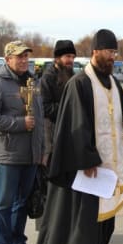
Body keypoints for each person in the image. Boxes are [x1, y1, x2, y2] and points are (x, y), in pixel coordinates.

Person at [36, 29, 123, 244]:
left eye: (115, 53)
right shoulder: (80, 83)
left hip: (108, 170)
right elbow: (75, 124)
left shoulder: (114, 84)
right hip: (88, 170)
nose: (112, 57)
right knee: (83, 227)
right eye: (109, 52)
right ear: (95, 51)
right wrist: (87, 159)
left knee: (105, 225)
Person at [0, 41, 44, 244]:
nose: (24, 60)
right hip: (9, 155)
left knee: (22, 203)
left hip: (30, 155)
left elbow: (39, 118)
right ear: (8, 59)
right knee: (4, 203)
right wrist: (19, 124)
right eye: (19, 57)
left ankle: (17, 242)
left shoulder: (32, 82)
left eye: (26, 56)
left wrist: (42, 150)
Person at [40, 39, 77, 167]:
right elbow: (44, 107)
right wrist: (69, 108)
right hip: (52, 136)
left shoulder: (72, 75)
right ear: (57, 58)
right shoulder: (47, 78)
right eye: (67, 56)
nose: (70, 60)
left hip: (70, 134)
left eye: (72, 57)